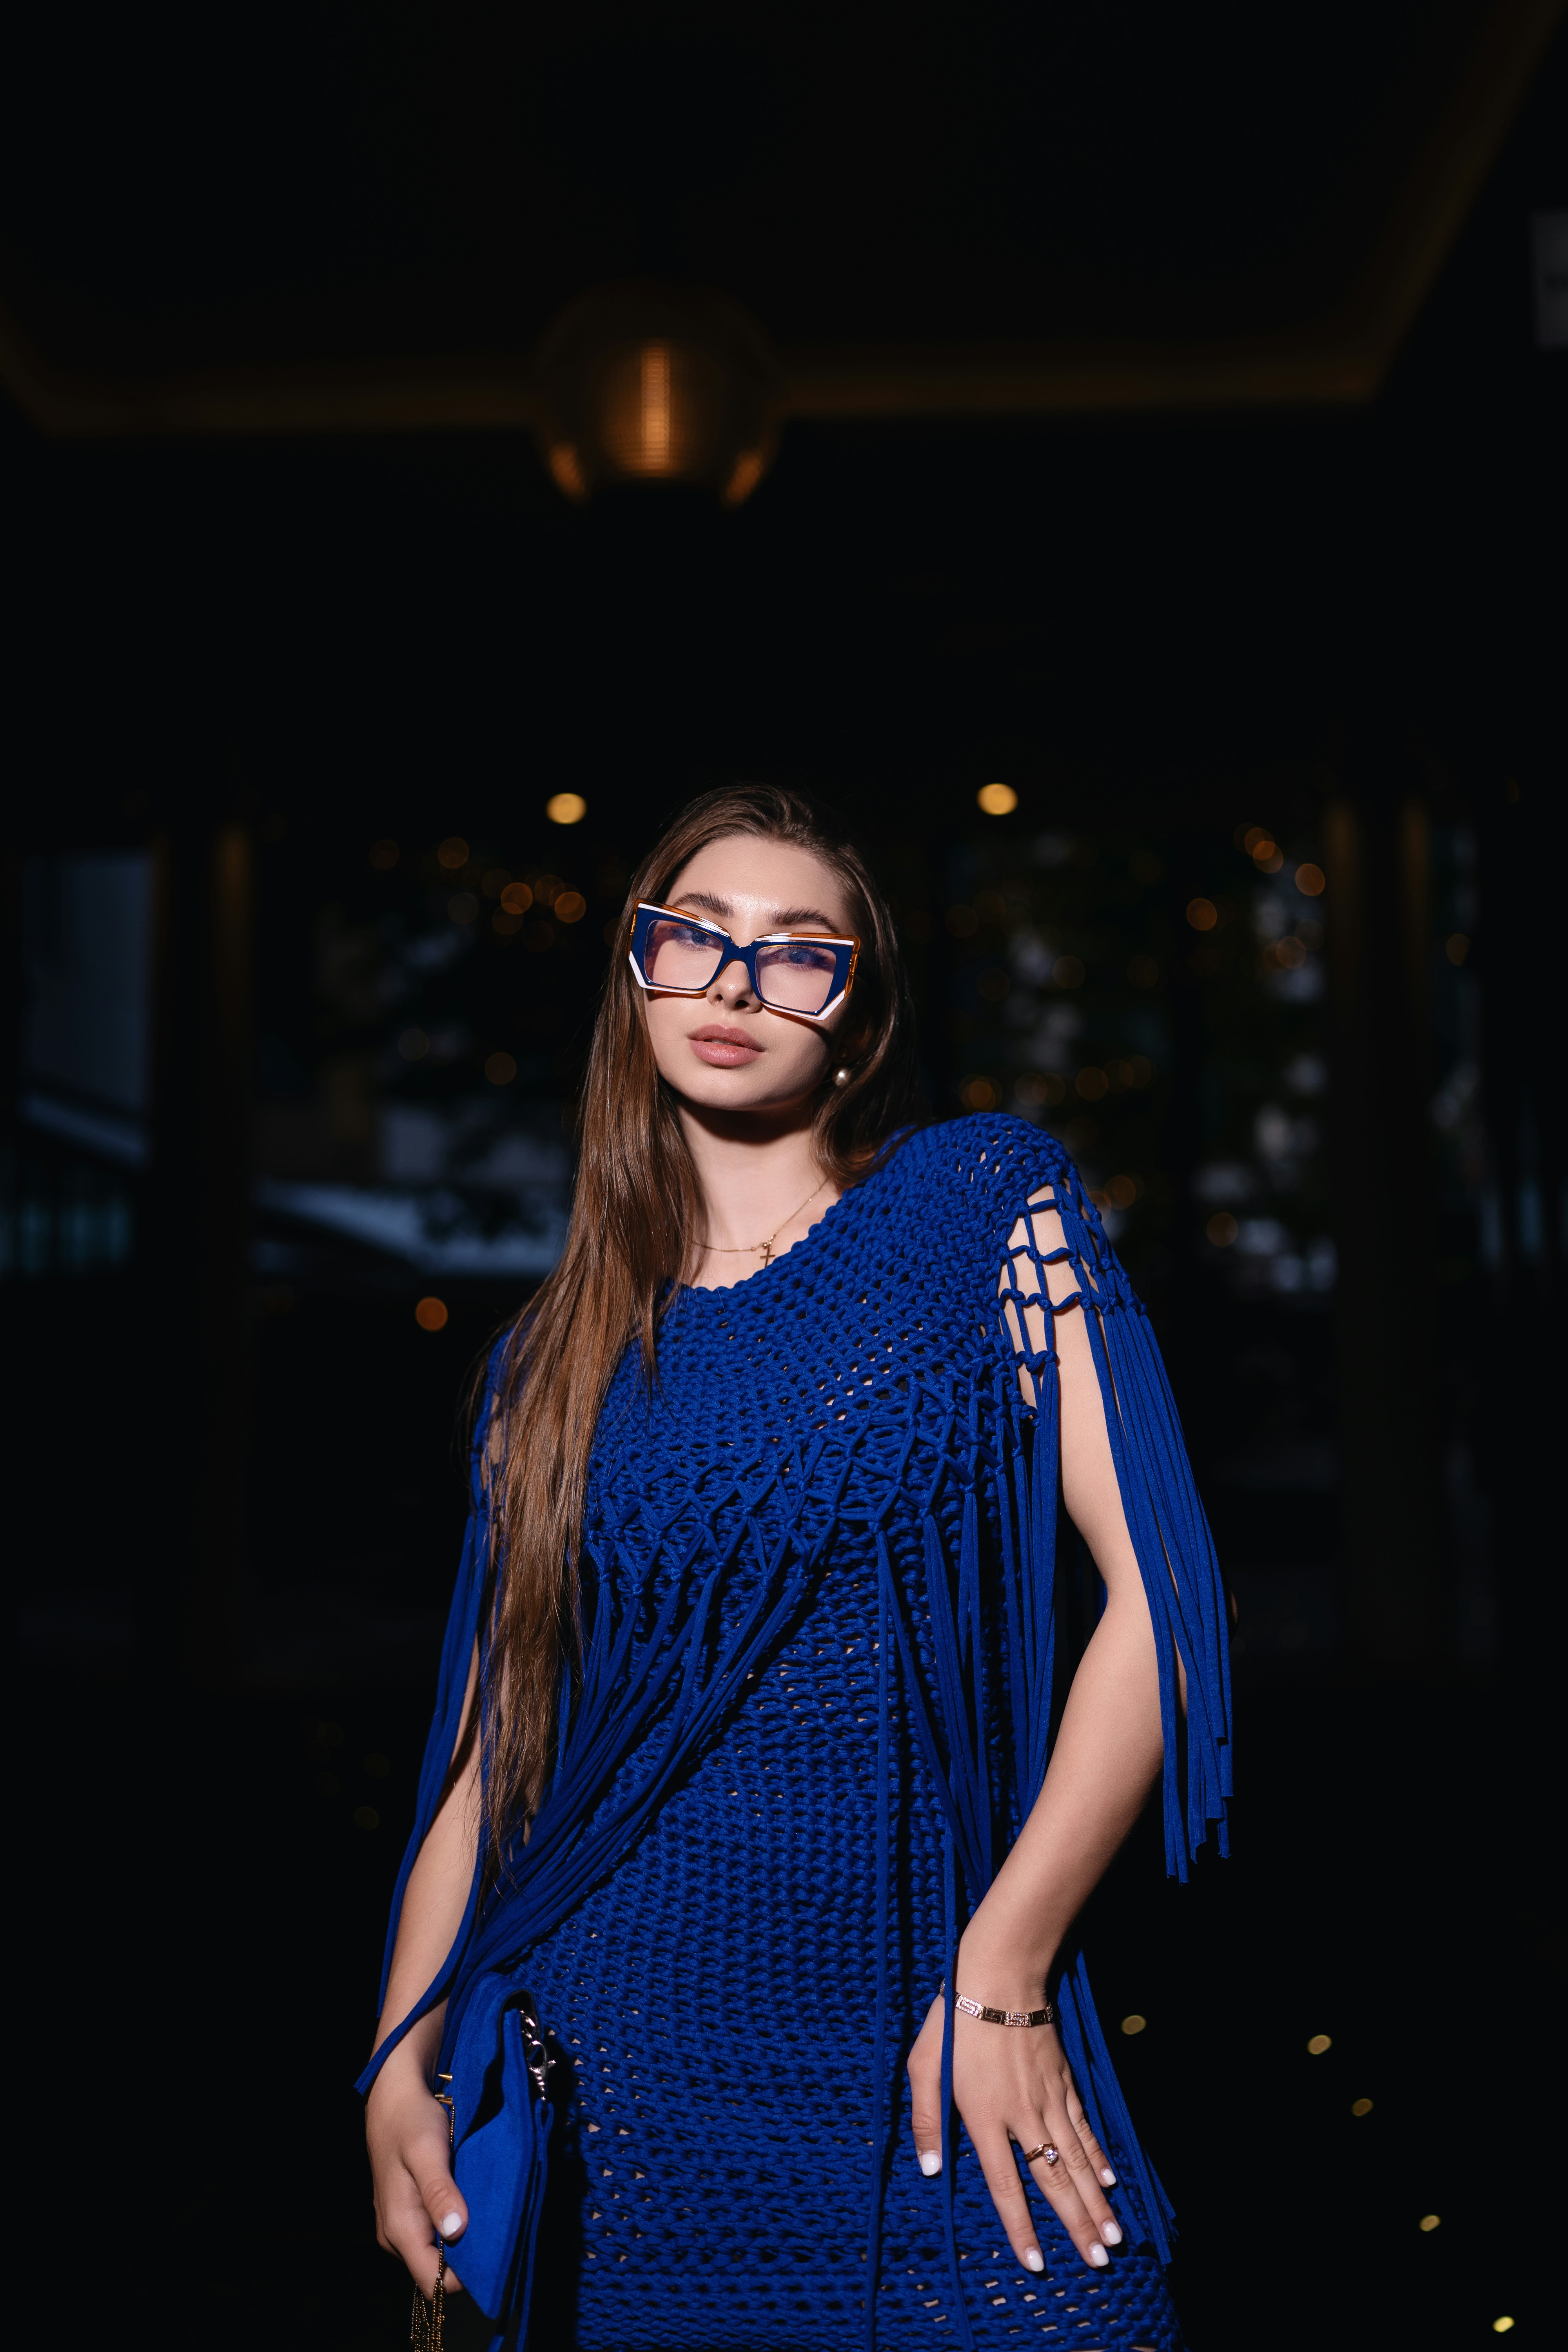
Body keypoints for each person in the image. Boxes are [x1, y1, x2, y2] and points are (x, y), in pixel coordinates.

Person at [360, 784, 1231, 2351]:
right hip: (619, 2092)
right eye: (689, 939)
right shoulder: (547, 1364)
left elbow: (1163, 1606)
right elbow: (495, 1757)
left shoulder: (977, 1210)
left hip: (935, 2045)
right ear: (635, 984)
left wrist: (1005, 1969)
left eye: (797, 951)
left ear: (861, 1019)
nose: (736, 982)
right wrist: (396, 2059)